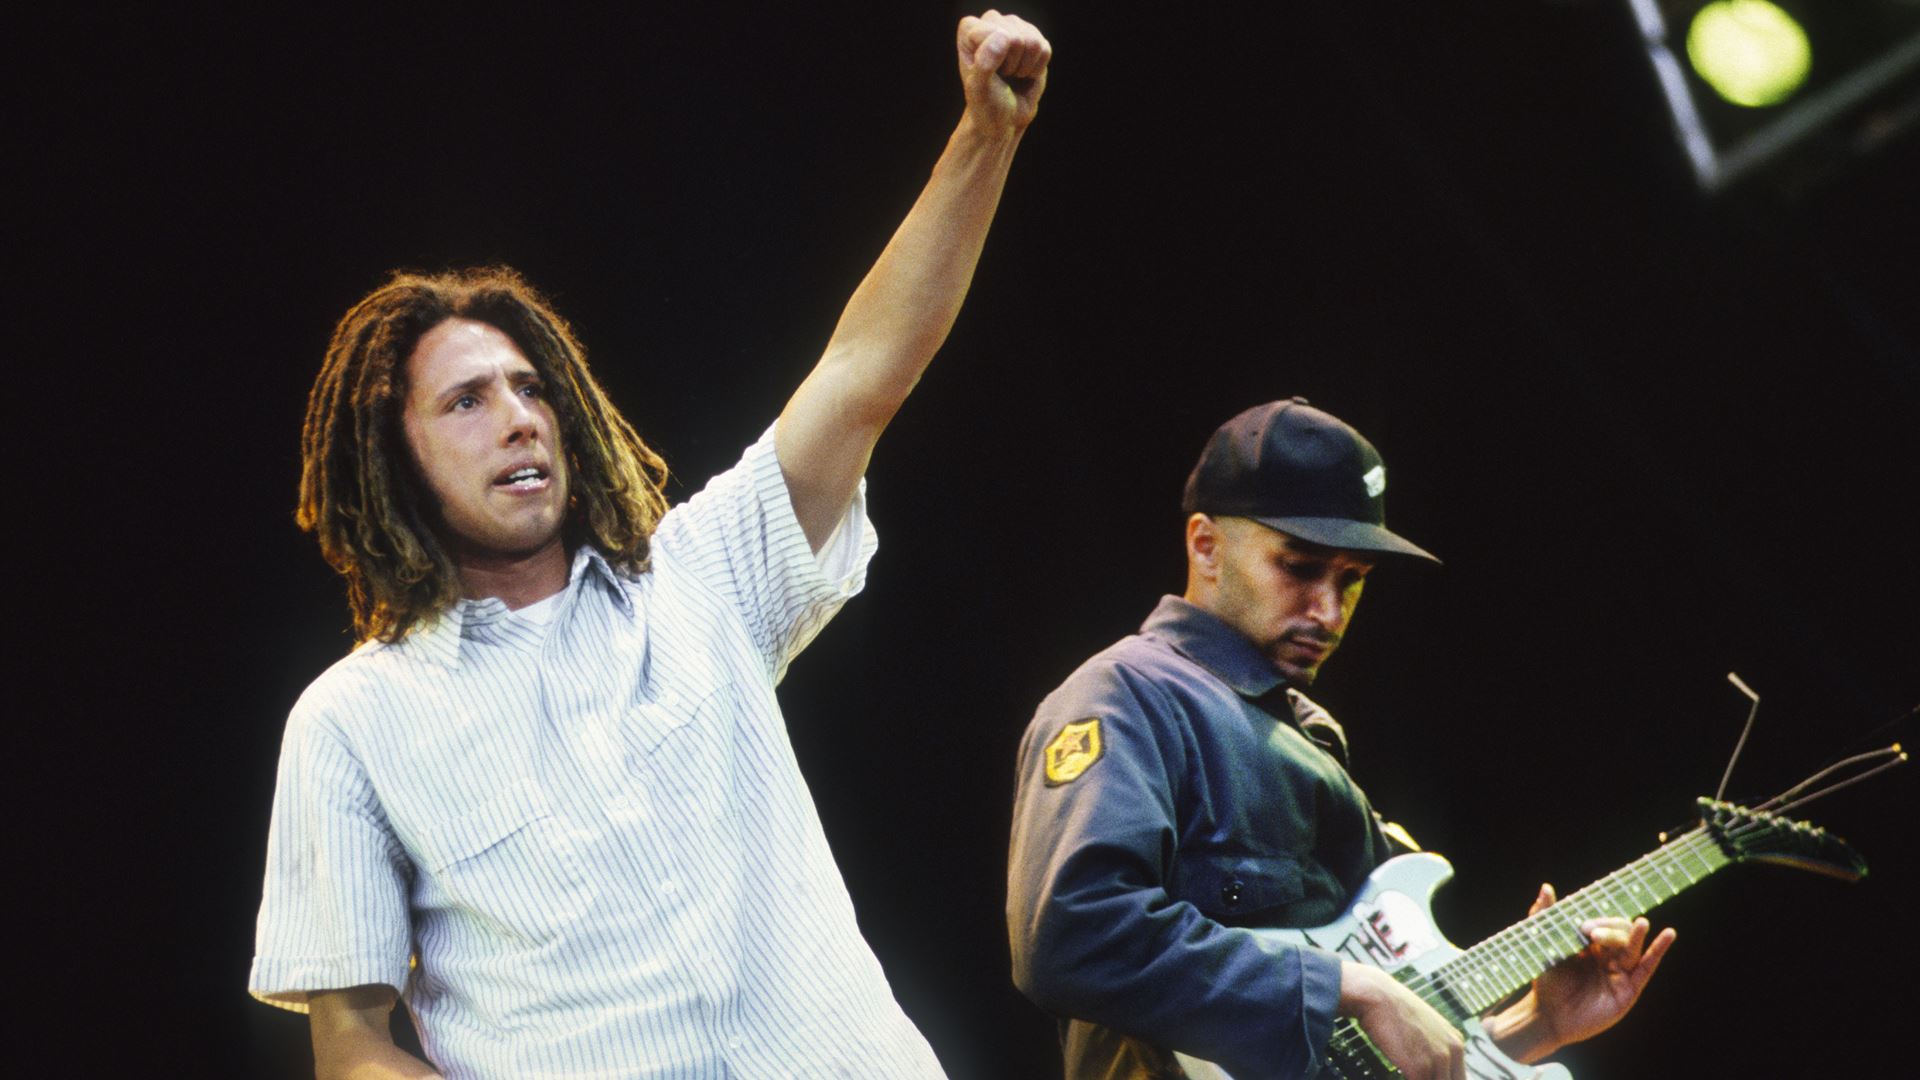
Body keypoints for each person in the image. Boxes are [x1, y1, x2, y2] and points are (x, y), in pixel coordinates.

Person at [250, 12, 1051, 1079]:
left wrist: (984, 135)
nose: (521, 418)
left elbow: (864, 373)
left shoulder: (703, 573)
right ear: (392, 462)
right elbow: (350, 1045)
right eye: (468, 403)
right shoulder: (350, 722)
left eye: (533, 389)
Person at [1006, 398, 1676, 1080]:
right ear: (1205, 545)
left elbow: (1358, 1054)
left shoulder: (1312, 736)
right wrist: (1344, 988)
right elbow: (1072, 936)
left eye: (1352, 581)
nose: (1328, 611)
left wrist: (1535, 1024)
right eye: (1298, 567)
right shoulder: (1128, 696)